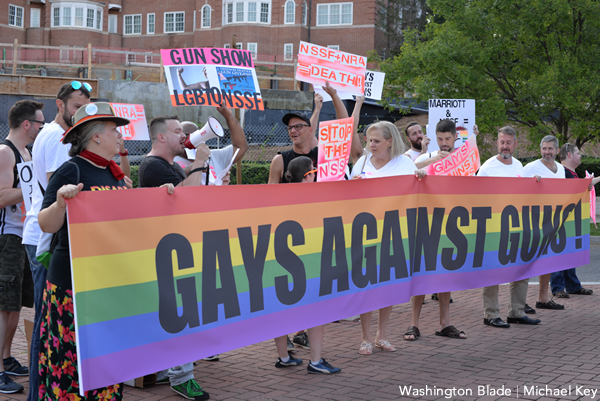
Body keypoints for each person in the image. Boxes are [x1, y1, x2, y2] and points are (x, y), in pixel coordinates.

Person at [38, 102, 132, 400]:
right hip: (72, 284)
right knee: (71, 361)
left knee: (105, 358)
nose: (120, 136)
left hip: (106, 282)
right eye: (114, 130)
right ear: (95, 137)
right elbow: (46, 223)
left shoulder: (114, 174)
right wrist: (61, 203)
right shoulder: (72, 169)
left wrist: (162, 196)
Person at [139, 112, 230, 400]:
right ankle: (182, 377)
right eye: (177, 130)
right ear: (161, 136)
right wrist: (200, 162)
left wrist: (217, 186)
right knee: (182, 313)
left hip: (178, 246)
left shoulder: (171, 166)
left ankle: (169, 367)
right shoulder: (152, 165)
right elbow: (186, 197)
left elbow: (193, 200)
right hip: (168, 250)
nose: (183, 135)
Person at [20, 81, 91, 401]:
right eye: (76, 106)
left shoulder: (65, 136)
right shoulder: (54, 135)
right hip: (44, 239)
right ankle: (37, 395)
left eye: (85, 107)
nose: (80, 113)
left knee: (50, 325)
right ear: (59, 105)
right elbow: (58, 188)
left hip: (51, 237)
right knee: (45, 327)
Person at [349, 121, 426, 354]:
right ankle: (364, 337)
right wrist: (353, 187)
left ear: (390, 141)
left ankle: (381, 336)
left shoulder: (404, 163)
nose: (371, 145)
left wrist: (421, 177)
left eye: (376, 141)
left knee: (387, 287)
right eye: (369, 141)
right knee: (367, 286)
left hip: (395, 233)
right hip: (366, 234)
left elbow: (417, 193)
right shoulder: (361, 163)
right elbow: (348, 199)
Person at [272, 156, 341, 374]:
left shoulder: (278, 198)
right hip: (307, 264)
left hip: (280, 264)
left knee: (280, 313)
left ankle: (283, 357)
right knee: (316, 312)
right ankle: (316, 361)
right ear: (308, 175)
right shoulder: (313, 198)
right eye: (314, 171)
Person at [405, 119, 466, 341]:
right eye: (440, 139)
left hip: (450, 223)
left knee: (445, 274)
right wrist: (425, 165)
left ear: (455, 138)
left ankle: (445, 323)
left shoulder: (462, 160)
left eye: (447, 139)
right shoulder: (424, 158)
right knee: (421, 274)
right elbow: (404, 171)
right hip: (424, 223)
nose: (444, 143)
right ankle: (414, 324)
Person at [476, 126, 541, 328]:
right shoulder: (487, 168)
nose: (505, 146)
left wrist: (535, 183)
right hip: (494, 227)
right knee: (492, 271)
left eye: (509, 143)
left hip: (517, 225)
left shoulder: (519, 167)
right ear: (497, 143)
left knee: (521, 269)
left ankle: (517, 312)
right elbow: (476, 197)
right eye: (502, 142)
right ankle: (491, 314)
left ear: (515, 144)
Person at [0, 100, 43, 394]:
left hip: (22, 235)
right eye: (40, 122)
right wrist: (33, 190)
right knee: (3, 307)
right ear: (27, 124)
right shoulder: (5, 152)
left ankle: (6, 358)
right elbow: (2, 196)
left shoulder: (27, 151)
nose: (43, 127)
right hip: (7, 237)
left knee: (14, 306)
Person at [523, 135, 566, 310]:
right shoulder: (530, 167)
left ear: (557, 150)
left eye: (550, 149)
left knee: (547, 260)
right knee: (526, 261)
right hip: (532, 221)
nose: (547, 152)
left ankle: (543, 298)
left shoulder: (561, 169)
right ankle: (519, 301)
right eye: (544, 148)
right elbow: (517, 188)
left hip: (553, 221)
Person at [550, 143, 596, 298]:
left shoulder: (570, 173)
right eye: (578, 153)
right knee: (559, 254)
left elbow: (581, 188)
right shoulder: (560, 172)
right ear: (569, 155)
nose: (580, 155)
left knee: (569, 253)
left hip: (570, 220)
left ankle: (572, 285)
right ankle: (557, 287)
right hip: (560, 220)